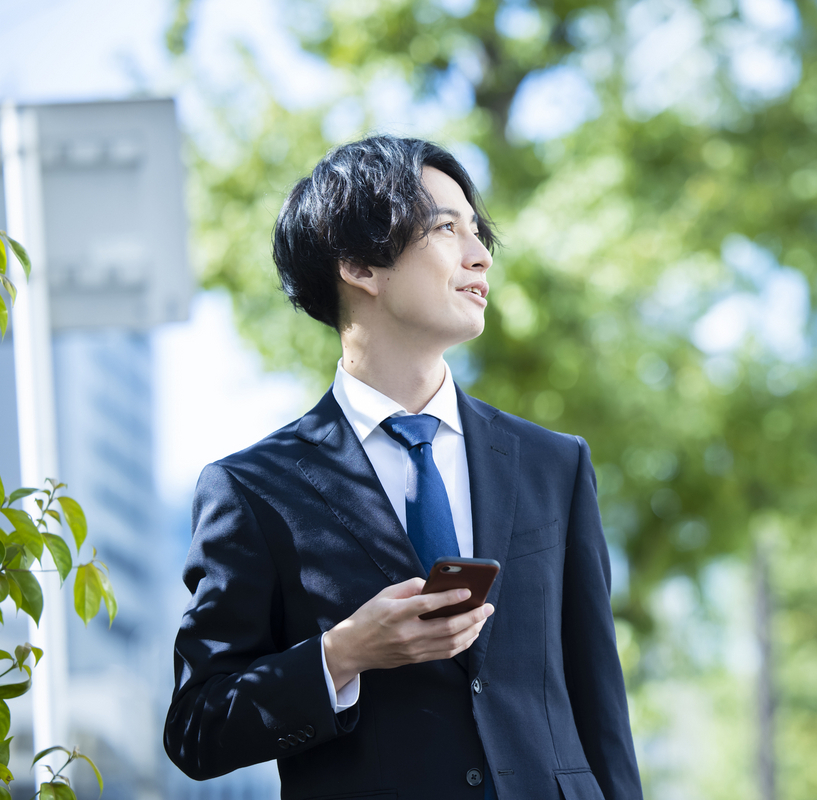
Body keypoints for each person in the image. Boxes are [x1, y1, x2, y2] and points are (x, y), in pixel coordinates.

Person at [164, 136, 642, 800]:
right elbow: (196, 728)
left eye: (478, 232)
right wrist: (343, 654)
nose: (480, 255)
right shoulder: (253, 490)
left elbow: (600, 710)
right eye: (447, 228)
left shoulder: (553, 465)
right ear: (360, 264)